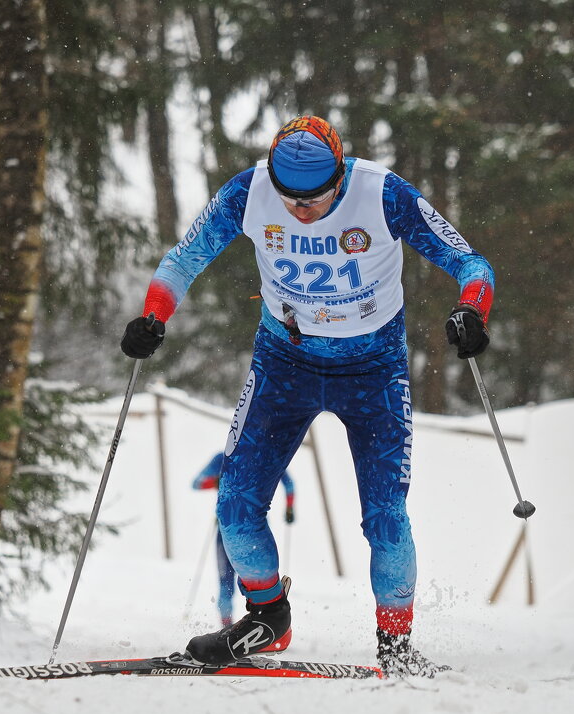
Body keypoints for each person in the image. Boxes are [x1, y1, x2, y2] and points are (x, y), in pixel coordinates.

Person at [121, 115, 494, 676]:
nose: (300, 211)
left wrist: (471, 309)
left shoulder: (383, 194)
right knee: (235, 505)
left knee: (385, 518)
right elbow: (183, 260)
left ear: (340, 176)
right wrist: (153, 316)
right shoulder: (249, 192)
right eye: (289, 198)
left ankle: (396, 647)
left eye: (315, 199)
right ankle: (268, 617)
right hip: (284, 362)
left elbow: (471, 263)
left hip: (374, 369)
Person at [193, 451, 294, 626]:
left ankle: (259, 623)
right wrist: (289, 507)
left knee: (240, 581)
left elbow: (289, 483)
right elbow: (196, 484)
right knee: (244, 581)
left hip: (234, 529)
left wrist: (290, 507)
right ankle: (232, 625)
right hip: (251, 530)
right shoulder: (258, 455)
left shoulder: (230, 458)